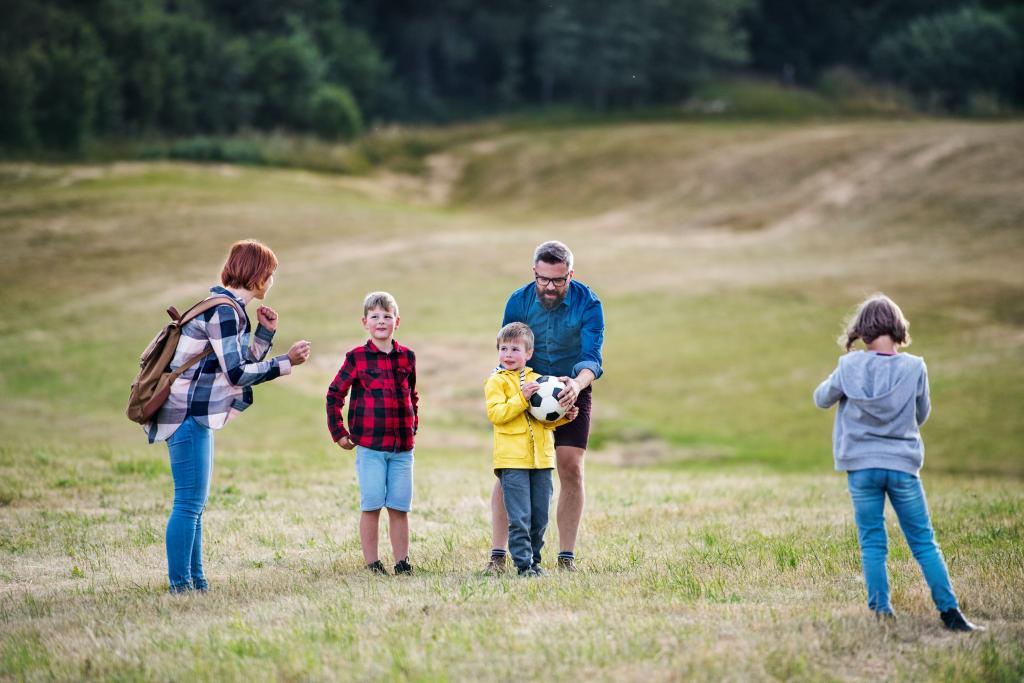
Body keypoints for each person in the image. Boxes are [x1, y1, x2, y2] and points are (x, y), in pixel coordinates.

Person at [146, 239, 311, 593]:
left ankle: (197, 582)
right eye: (272, 274)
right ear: (259, 276)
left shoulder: (227, 308)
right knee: (188, 503)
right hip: (186, 414)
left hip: (192, 414)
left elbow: (234, 364)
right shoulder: (224, 310)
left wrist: (265, 333)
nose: (272, 281)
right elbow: (236, 374)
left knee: (195, 505)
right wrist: (286, 363)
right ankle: (180, 586)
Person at [814, 294, 984, 632]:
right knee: (923, 541)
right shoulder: (914, 367)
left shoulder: (849, 366)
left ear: (862, 330)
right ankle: (951, 614)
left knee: (873, 540)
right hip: (902, 465)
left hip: (862, 466)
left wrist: (847, 377)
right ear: (897, 329)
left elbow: (821, 399)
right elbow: (922, 414)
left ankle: (882, 611)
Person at [487, 241, 604, 573]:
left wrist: (576, 386)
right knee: (511, 470)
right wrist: (517, 392)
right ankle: (498, 555)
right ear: (534, 273)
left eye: (558, 280)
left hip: (570, 389)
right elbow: (508, 348)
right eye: (543, 280)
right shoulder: (518, 301)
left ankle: (566, 557)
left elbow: (591, 357)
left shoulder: (589, 303)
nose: (550, 287)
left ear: (570, 274)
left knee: (571, 468)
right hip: (527, 390)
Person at [326, 292, 418, 576]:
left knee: (399, 506)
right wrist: (339, 432)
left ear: (397, 321)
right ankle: (372, 563)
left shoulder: (407, 357)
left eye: (387, 316)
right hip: (370, 447)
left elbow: (412, 395)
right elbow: (334, 394)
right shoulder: (357, 358)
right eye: (375, 317)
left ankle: (402, 562)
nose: (381, 321)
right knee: (373, 503)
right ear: (365, 322)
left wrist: (414, 426)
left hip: (402, 448)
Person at [485, 323, 578, 576]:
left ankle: (535, 562)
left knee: (539, 517)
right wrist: (521, 398)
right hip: (512, 461)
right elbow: (496, 414)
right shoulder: (497, 382)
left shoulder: (541, 381)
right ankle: (523, 565)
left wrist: (565, 416)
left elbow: (544, 419)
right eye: (503, 348)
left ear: (528, 353)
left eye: (515, 349)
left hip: (542, 460)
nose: (508, 354)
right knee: (520, 517)